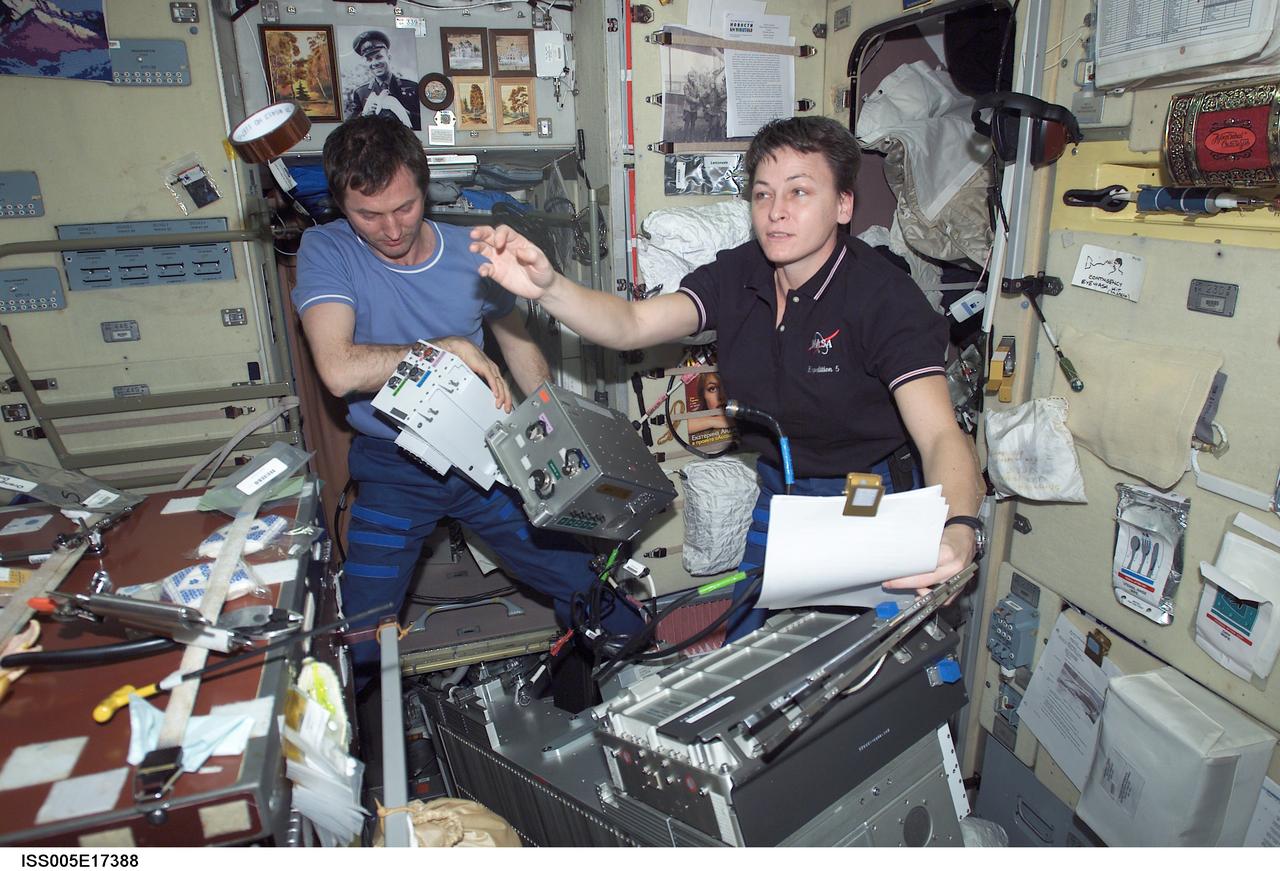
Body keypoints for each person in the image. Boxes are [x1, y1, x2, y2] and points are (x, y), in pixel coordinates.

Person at [470, 115, 984, 640]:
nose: (776, 212)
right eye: (762, 195)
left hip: (864, 489)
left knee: (867, 646)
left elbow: (941, 434)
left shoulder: (883, 299)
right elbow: (630, 324)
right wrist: (548, 287)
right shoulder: (740, 274)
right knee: (745, 643)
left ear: (844, 205)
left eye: (799, 192)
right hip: (781, 487)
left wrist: (960, 529)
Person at [291, 115, 637, 680]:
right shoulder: (326, 249)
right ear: (339, 204)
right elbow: (337, 369)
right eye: (367, 215)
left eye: (404, 207)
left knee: (583, 585)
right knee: (359, 628)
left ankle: (620, 677)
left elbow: (516, 339)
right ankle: (359, 739)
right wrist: (442, 350)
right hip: (394, 464)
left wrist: (556, 424)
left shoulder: (469, 250)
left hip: (484, 453)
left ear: (424, 186)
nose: (391, 229)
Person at [343, 30, 421, 130]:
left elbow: (424, 122)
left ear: (389, 57)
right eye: (369, 60)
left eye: (379, 57)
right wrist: (364, 115)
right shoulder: (361, 93)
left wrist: (406, 114)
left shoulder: (412, 87)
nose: (374, 63)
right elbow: (349, 127)